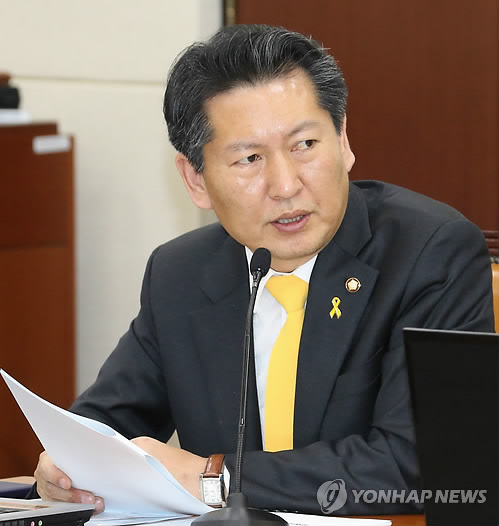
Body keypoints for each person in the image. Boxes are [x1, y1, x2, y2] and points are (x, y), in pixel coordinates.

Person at [33, 24, 494, 516]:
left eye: (305, 145)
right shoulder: (180, 273)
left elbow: (419, 463)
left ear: (343, 139)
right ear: (195, 179)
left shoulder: (429, 253)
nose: (286, 185)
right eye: (250, 158)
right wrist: (69, 463)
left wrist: (213, 477)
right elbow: (105, 424)